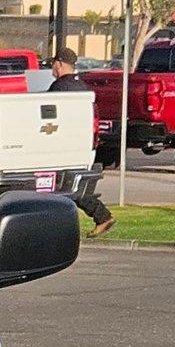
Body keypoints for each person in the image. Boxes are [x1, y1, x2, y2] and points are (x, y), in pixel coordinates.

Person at [46, 47, 116, 238]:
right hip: (81, 144)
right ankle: (102, 217)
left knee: (61, 185)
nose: (52, 67)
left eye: (53, 63)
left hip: (62, 145)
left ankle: (101, 217)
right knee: (73, 185)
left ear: (59, 64)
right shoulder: (83, 87)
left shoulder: (58, 88)